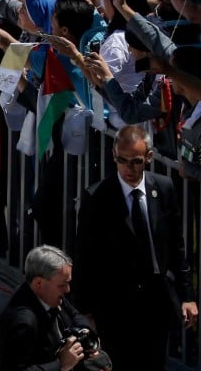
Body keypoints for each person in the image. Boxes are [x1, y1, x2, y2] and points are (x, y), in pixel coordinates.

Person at [74, 125, 196, 370]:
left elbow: (176, 248)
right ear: (114, 156)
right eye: (122, 160)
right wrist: (85, 312)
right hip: (115, 306)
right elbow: (85, 258)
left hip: (155, 302)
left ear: (149, 157)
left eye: (136, 161)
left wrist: (187, 297)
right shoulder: (97, 197)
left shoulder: (163, 188)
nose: (129, 169)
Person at [0, 245, 108, 371]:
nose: (67, 289)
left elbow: (75, 314)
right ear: (39, 282)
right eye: (62, 285)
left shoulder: (49, 293)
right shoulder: (22, 323)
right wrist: (61, 364)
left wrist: (85, 332)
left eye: (68, 283)